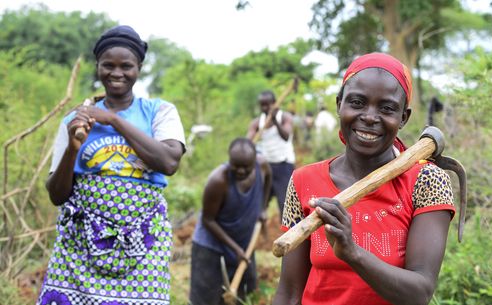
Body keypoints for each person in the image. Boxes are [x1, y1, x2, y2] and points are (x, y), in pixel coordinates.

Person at [273, 53, 455, 305]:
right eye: (357, 103)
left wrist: (352, 253)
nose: (370, 117)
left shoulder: (426, 181)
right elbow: (289, 293)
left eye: (387, 108)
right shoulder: (304, 180)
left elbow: (420, 292)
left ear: (403, 117)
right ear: (339, 105)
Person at [38, 25, 186, 305]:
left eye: (126, 66)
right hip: (78, 249)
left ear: (139, 67)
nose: (116, 73)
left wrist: (113, 120)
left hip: (144, 244)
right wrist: (72, 148)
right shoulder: (75, 120)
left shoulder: (160, 112)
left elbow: (168, 162)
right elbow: (57, 195)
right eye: (108, 65)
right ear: (98, 67)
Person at [190, 138, 272, 305]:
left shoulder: (262, 165)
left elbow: (269, 178)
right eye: (236, 166)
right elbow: (208, 220)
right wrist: (235, 249)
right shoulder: (219, 181)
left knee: (244, 295)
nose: (241, 171)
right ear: (229, 160)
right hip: (211, 248)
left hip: (242, 245)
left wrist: (263, 208)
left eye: (246, 167)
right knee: (206, 300)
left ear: (254, 161)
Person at [246, 90, 295, 220]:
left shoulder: (285, 117)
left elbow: (286, 136)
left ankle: (286, 233)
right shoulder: (257, 122)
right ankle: (261, 231)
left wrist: (275, 120)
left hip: (284, 165)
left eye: (267, 105)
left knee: (284, 203)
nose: (265, 108)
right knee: (261, 202)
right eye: (262, 105)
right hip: (265, 167)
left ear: (274, 104)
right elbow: (248, 141)